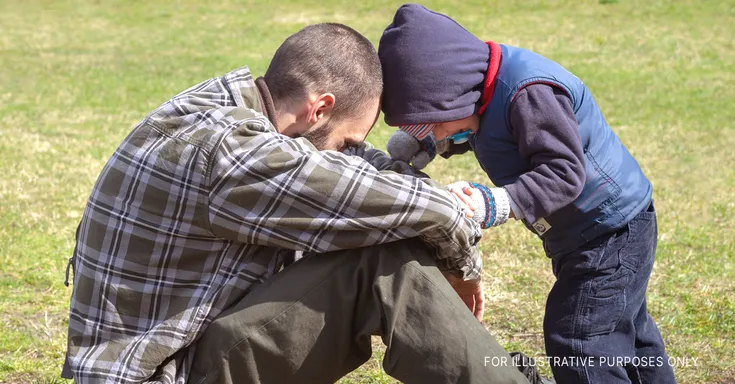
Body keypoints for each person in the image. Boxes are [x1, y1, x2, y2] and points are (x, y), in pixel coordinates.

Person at [61, 22, 535, 384]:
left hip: (178, 354)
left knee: (376, 237)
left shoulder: (226, 107)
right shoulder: (236, 155)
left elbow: (368, 171)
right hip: (164, 373)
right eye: (349, 140)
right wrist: (462, 271)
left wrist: (378, 166)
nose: (354, 152)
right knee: (382, 261)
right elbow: (438, 210)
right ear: (320, 108)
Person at [378, 4, 676, 383]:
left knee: (580, 338)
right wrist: (432, 145)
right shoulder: (481, 90)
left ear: (454, 93)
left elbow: (565, 172)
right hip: (592, 230)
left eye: (432, 123)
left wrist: (498, 202)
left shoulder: (529, 94)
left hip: (609, 230)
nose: (433, 133)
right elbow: (485, 130)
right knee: (628, 332)